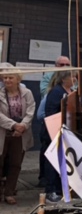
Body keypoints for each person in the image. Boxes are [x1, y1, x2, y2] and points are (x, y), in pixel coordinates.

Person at [0, 65, 35, 205]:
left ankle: (9, 192)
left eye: (10, 77)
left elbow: (31, 111)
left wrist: (22, 126)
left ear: (18, 79)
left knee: (15, 164)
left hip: (20, 135)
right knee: (0, 163)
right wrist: (13, 125)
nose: (7, 80)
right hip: (3, 133)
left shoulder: (27, 93)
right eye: (5, 78)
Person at [42, 70, 76, 203]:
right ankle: (50, 191)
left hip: (67, 131)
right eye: (72, 76)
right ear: (64, 79)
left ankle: (61, 188)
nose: (74, 79)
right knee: (53, 162)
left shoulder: (71, 91)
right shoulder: (56, 92)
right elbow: (51, 113)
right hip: (54, 131)